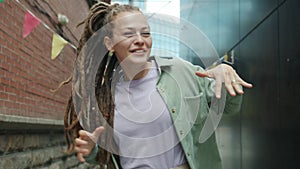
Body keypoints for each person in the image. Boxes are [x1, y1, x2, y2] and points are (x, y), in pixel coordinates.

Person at [63, 2, 252, 169]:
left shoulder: (180, 71)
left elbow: (229, 107)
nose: (140, 39)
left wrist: (226, 76)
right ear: (110, 43)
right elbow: (112, 156)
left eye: (145, 33)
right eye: (129, 33)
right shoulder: (106, 98)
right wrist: (93, 151)